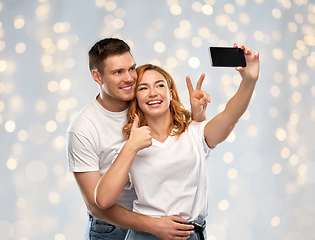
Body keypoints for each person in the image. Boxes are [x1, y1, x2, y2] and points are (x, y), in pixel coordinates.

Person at [94, 44, 260, 239]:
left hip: (191, 234)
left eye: (160, 85)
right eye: (143, 88)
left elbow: (230, 116)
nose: (153, 92)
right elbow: (103, 200)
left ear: (171, 93)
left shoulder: (195, 133)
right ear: (135, 98)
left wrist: (249, 81)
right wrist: (131, 146)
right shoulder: (130, 145)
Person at [66, 38, 210, 240]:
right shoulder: (83, 129)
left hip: (162, 222)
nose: (129, 78)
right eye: (117, 72)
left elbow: (186, 149)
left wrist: (198, 118)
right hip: (112, 227)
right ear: (97, 77)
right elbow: (95, 205)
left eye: (131, 68)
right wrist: (152, 225)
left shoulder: (147, 99)